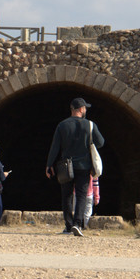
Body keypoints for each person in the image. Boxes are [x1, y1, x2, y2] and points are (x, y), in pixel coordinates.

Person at [45, 98, 105, 237]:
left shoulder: (62, 125)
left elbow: (55, 147)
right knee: (81, 195)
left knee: (66, 196)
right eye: (85, 108)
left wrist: (49, 165)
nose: (86, 111)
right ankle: (78, 224)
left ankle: (68, 225)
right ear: (81, 109)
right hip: (84, 166)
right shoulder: (90, 125)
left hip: (66, 166)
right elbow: (100, 142)